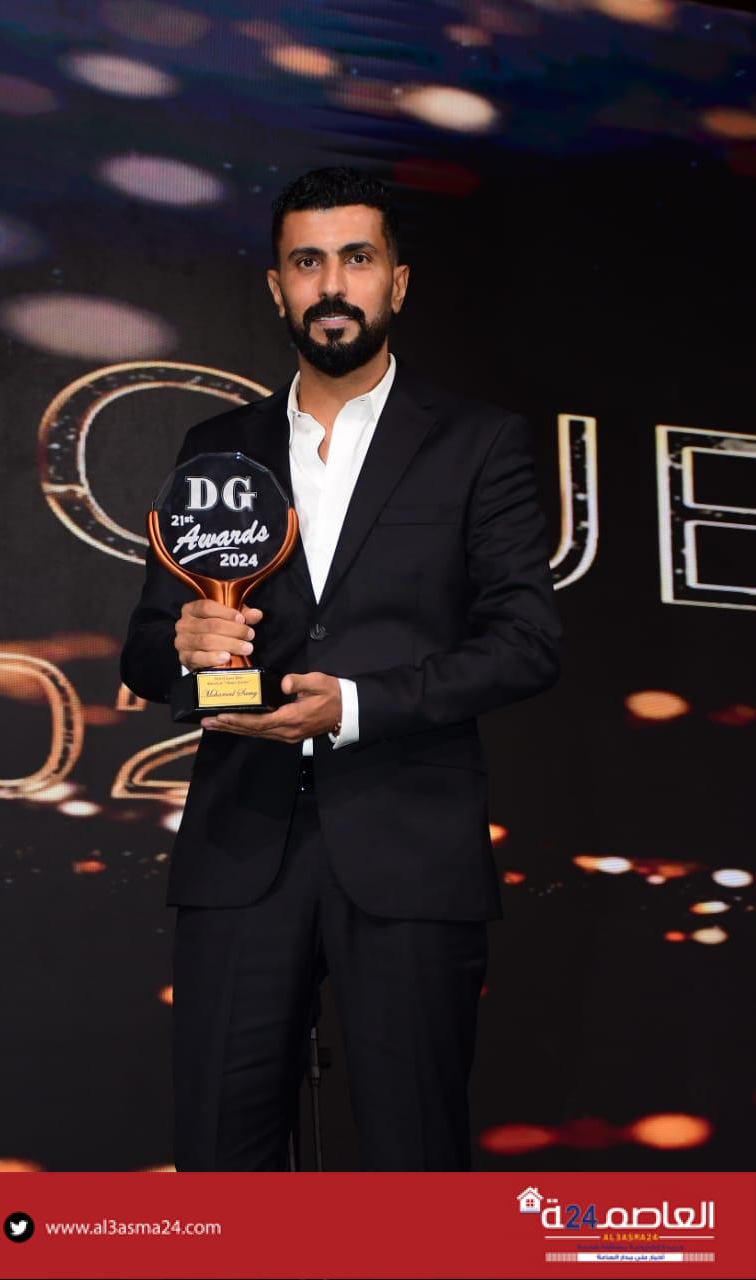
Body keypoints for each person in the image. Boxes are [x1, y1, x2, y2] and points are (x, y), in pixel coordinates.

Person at [120, 167, 562, 1171]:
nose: (332, 284)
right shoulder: (216, 446)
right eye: (306, 261)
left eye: (356, 259)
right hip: (240, 848)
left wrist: (355, 706)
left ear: (395, 282)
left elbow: (526, 639)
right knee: (219, 1161)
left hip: (409, 846)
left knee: (414, 1162)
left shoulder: (476, 443)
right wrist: (187, 648)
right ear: (276, 287)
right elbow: (147, 648)